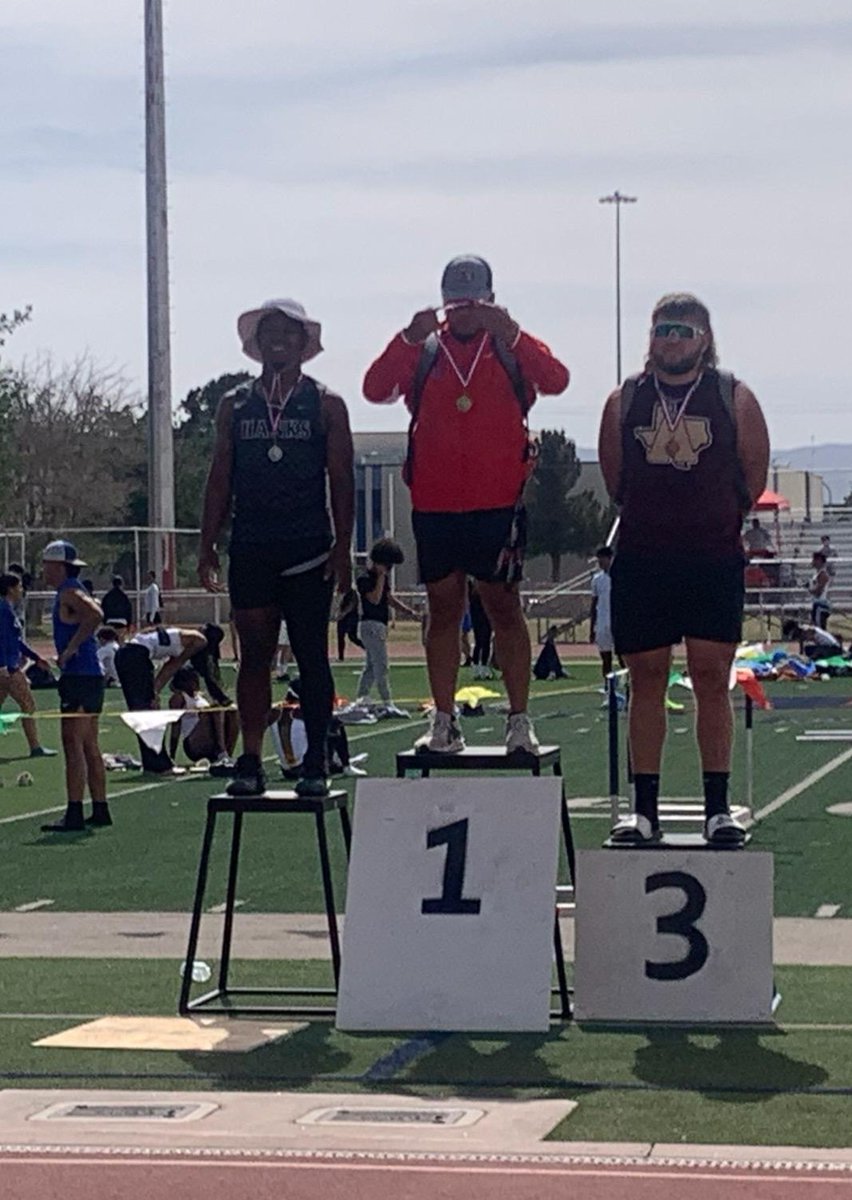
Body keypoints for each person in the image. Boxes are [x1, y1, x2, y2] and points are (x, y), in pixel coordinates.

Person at [363, 254, 570, 753]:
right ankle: (444, 721)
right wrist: (406, 338)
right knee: (442, 610)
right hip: (435, 504)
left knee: (504, 607)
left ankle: (519, 720)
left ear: (492, 301)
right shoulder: (425, 350)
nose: (464, 314)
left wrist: (515, 333)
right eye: (455, 304)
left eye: (474, 303)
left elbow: (558, 379)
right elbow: (374, 390)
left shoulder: (507, 346)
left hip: (498, 502)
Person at [598, 292, 769, 846]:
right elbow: (615, 481)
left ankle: (717, 809)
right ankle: (644, 810)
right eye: (662, 329)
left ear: (704, 339)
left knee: (711, 680)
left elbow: (752, 473)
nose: (671, 339)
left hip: (711, 558)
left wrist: (715, 520)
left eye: (682, 330)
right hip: (644, 559)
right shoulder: (624, 401)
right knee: (645, 682)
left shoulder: (733, 398)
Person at [198, 298, 355, 798]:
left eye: (289, 333)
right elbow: (220, 478)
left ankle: (315, 759)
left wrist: (343, 549)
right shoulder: (235, 404)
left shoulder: (326, 403)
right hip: (252, 546)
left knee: (311, 655)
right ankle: (250, 758)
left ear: (305, 343)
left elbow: (343, 480)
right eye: (271, 334)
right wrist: (207, 546)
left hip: (308, 547)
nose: (280, 341)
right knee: (254, 657)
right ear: (256, 343)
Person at [39, 540, 111, 833]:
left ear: (58, 566)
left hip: (80, 676)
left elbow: (95, 615)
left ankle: (74, 812)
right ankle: (100, 808)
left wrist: (69, 650)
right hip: (89, 676)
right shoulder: (68, 591)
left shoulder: (69, 591)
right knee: (90, 744)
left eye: (46, 564)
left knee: (73, 745)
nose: (43, 570)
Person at [114, 625, 207, 773]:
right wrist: (154, 692)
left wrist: (154, 691)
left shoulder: (178, 634)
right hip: (137, 657)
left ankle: (151, 761)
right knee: (149, 713)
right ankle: (159, 763)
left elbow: (169, 667)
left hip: (125, 655)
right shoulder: (199, 641)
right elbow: (174, 665)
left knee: (142, 712)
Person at [355, 538, 417, 716]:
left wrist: (408, 611)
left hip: (380, 625)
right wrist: (380, 577)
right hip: (370, 624)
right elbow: (374, 599)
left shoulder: (383, 579)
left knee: (371, 666)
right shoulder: (364, 577)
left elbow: (387, 598)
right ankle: (387, 702)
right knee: (381, 665)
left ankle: (362, 697)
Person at [0, 572, 56, 758]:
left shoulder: (8, 609)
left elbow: (16, 642)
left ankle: (35, 746)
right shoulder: (3, 610)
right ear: (10, 588)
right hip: (7, 669)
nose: (21, 590)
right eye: (19, 587)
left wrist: (35, 657)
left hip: (7, 667)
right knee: (28, 705)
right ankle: (35, 747)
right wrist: (4, 666)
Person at [269, 677, 366, 780]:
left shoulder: (274, 710)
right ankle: (345, 765)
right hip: (306, 768)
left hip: (286, 771)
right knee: (335, 724)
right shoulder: (303, 711)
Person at [168, 667, 238, 767]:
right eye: (192, 679)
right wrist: (172, 755)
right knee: (213, 711)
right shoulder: (179, 697)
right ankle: (221, 752)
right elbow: (175, 726)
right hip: (194, 742)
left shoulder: (200, 696)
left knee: (232, 712)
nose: (196, 682)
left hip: (209, 738)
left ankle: (225, 755)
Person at [590, 545, 615, 681]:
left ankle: (629, 688)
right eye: (599, 560)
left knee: (624, 658)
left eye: (603, 559)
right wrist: (592, 628)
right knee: (606, 658)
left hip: (617, 622)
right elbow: (594, 604)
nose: (600, 562)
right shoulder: (597, 579)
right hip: (602, 623)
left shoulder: (619, 577)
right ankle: (608, 688)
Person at [469, 579, 493, 679]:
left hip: (482, 618)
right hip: (481, 618)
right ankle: (480, 669)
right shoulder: (476, 595)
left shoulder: (475, 594)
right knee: (482, 642)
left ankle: (480, 668)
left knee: (482, 642)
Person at [336, 587, 364, 661]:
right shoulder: (340, 592)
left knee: (352, 637)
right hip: (342, 618)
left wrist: (343, 613)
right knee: (340, 637)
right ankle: (340, 657)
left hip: (351, 617)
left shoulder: (352, 593)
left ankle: (367, 649)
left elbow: (352, 605)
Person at [808, 551, 832, 629]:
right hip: (816, 604)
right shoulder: (816, 574)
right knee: (815, 628)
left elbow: (818, 591)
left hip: (821, 605)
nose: (813, 562)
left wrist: (810, 589)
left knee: (819, 629)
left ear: (819, 560)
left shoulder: (823, 574)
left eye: (814, 560)